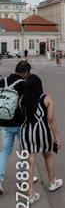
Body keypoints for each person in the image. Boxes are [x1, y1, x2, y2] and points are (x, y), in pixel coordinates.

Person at [20, 74, 61, 205]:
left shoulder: (22, 99)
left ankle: (31, 194)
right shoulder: (47, 99)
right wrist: (56, 136)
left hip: (26, 133)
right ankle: (52, 182)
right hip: (42, 132)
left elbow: (23, 116)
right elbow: (50, 119)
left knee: (29, 162)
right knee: (48, 156)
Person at [0, 61, 32, 196]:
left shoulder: (2, 81)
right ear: (24, 72)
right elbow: (26, 104)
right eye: (27, 73)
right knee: (23, 150)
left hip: (3, 121)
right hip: (19, 123)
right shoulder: (23, 85)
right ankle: (24, 177)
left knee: (5, 150)